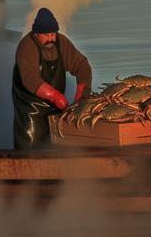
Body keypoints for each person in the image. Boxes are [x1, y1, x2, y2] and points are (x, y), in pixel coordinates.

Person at [12, 8, 92, 150]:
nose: (51, 38)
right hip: (31, 110)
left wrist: (82, 92)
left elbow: (82, 66)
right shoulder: (27, 46)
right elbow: (31, 79)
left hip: (55, 110)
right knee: (31, 150)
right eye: (46, 35)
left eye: (53, 34)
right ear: (36, 34)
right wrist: (55, 96)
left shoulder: (61, 42)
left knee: (56, 148)